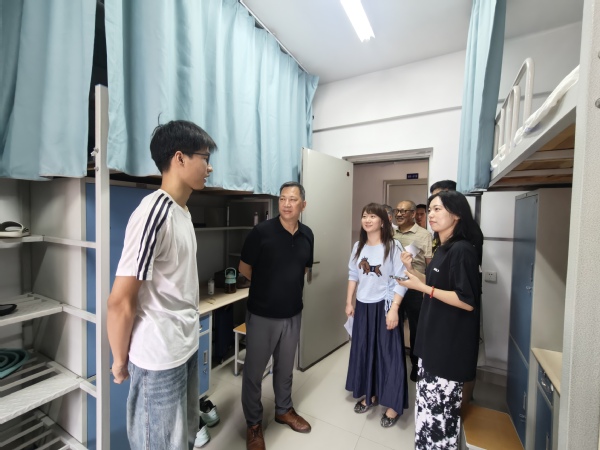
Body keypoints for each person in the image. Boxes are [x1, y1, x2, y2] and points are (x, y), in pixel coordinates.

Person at [107, 120, 217, 449]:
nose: (209, 168)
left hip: (185, 346)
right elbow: (120, 300)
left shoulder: (182, 211)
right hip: (158, 357)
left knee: (183, 439)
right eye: (205, 158)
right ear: (180, 158)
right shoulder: (154, 213)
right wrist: (119, 361)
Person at [397, 190, 481, 449]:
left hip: (448, 348)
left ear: (456, 215)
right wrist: (411, 271)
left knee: (439, 418)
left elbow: (466, 300)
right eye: (430, 209)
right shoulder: (443, 248)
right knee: (426, 413)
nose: (430, 215)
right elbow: (435, 284)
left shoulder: (462, 250)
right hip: (432, 342)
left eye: (437, 209)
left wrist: (423, 289)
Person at [239, 181, 314, 450]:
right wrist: (268, 287)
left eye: (292, 199)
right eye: (282, 198)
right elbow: (245, 268)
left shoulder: (307, 235)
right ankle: (253, 424)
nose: (286, 204)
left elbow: (303, 268)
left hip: (293, 313)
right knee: (254, 372)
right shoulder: (261, 232)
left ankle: (284, 410)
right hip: (262, 314)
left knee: (285, 368)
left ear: (303, 204)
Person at [345, 203, 409, 428]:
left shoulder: (393, 246)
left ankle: (393, 405)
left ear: (383, 221)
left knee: (389, 355)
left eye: (373, 216)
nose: (367, 220)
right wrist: (349, 301)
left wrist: (394, 309)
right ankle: (369, 393)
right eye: (365, 216)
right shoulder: (358, 246)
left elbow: (402, 279)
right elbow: (353, 274)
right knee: (365, 351)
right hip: (363, 306)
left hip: (385, 306)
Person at [393, 200, 432, 382]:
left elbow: (429, 264)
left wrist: (427, 288)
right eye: (397, 211)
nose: (399, 214)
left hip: (415, 287)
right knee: (393, 323)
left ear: (413, 214)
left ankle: (416, 364)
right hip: (394, 286)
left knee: (416, 326)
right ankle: (395, 360)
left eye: (404, 211)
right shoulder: (391, 233)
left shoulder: (424, 235)